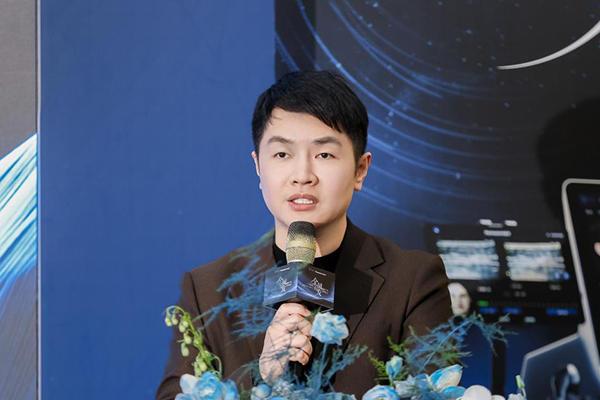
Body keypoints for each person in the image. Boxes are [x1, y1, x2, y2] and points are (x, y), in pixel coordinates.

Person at [156, 71, 451, 399]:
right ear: (258, 166)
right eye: (282, 154)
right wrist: (263, 379)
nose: (303, 175)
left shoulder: (414, 282)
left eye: (324, 155)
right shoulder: (207, 290)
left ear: (360, 170)